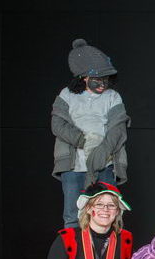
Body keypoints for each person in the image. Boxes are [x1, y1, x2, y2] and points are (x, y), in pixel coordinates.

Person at [52, 38, 130, 228]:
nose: (102, 83)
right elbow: (58, 124)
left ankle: (105, 248)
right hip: (74, 166)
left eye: (106, 79)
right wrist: (83, 141)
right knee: (72, 215)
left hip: (105, 164)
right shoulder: (67, 95)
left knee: (108, 213)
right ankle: (74, 248)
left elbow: (118, 127)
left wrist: (102, 150)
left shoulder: (112, 97)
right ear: (84, 77)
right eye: (97, 79)